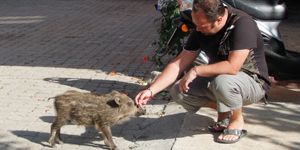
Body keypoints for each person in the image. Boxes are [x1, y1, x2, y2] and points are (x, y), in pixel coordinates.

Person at [135, 0, 270, 144]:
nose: (197, 30)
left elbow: (233, 67)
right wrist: (151, 90)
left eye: (201, 26)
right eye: (196, 24)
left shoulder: (242, 24)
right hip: (221, 80)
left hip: (253, 82)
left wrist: (196, 70)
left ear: (219, 19)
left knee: (222, 82)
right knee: (178, 91)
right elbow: (179, 64)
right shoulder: (201, 27)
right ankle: (225, 111)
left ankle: (236, 119)